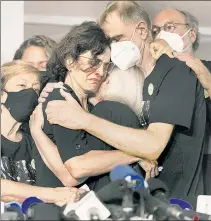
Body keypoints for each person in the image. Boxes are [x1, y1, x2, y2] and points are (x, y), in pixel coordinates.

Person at [40, 1, 207, 198]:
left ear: (142, 30)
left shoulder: (174, 71)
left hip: (177, 200)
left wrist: (83, 119)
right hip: (142, 199)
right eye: (109, 42)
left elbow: (153, 146)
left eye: (117, 39)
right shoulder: (130, 77)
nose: (114, 48)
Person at [29, 21, 157, 191]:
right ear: (70, 61)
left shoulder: (88, 105)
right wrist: (138, 152)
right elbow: (77, 168)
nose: (100, 72)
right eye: (94, 62)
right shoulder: (61, 98)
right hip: (58, 207)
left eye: (105, 65)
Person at [1, 60, 82, 205]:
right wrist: (52, 194)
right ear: (2, 95)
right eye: (21, 86)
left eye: (35, 89)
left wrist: (37, 131)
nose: (30, 93)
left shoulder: (32, 139)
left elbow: (66, 175)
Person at [151, 9, 211, 98]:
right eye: (156, 31)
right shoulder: (152, 74)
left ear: (192, 35)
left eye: (170, 27)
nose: (161, 35)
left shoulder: (208, 68)